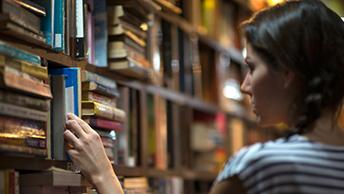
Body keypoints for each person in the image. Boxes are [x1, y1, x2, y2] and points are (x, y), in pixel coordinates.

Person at [64, 0, 344, 193]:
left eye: (252, 68)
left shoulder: (261, 166)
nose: (245, 86)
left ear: (287, 73)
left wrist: (103, 174)